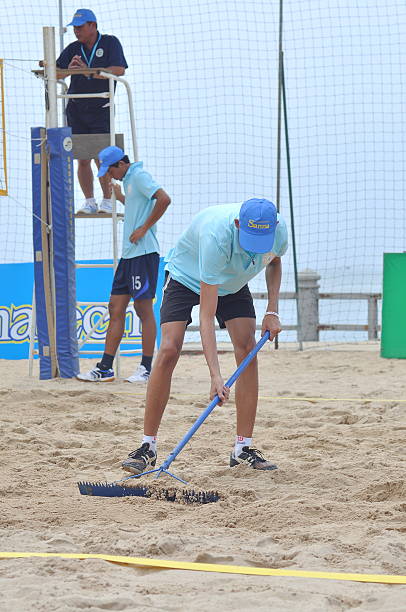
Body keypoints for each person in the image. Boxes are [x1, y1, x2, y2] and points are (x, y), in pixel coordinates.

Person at [121, 198, 288, 474]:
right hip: (187, 277)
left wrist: (272, 310)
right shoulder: (216, 237)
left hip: (233, 284)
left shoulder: (278, 232)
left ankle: (242, 448)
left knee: (248, 351)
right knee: (169, 349)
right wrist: (215, 376)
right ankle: (146, 447)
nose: (258, 246)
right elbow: (206, 317)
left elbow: (274, 263)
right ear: (238, 225)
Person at [77, 146, 171, 383]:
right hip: (129, 256)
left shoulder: (138, 176)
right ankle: (105, 367)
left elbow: (164, 199)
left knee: (143, 310)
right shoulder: (129, 180)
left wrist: (144, 228)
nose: (109, 175)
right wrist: (120, 198)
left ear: (121, 164)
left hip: (144, 253)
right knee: (115, 308)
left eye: (110, 171)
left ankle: (147, 368)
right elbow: (138, 206)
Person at [56, 9, 128, 214]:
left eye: (80, 27)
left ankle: (107, 200)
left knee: (102, 157)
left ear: (93, 26)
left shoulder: (109, 42)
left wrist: (90, 71)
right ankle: (89, 201)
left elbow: (119, 69)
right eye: (74, 27)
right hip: (77, 107)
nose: (76, 31)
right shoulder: (72, 48)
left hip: (100, 107)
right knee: (83, 157)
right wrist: (70, 69)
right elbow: (56, 72)